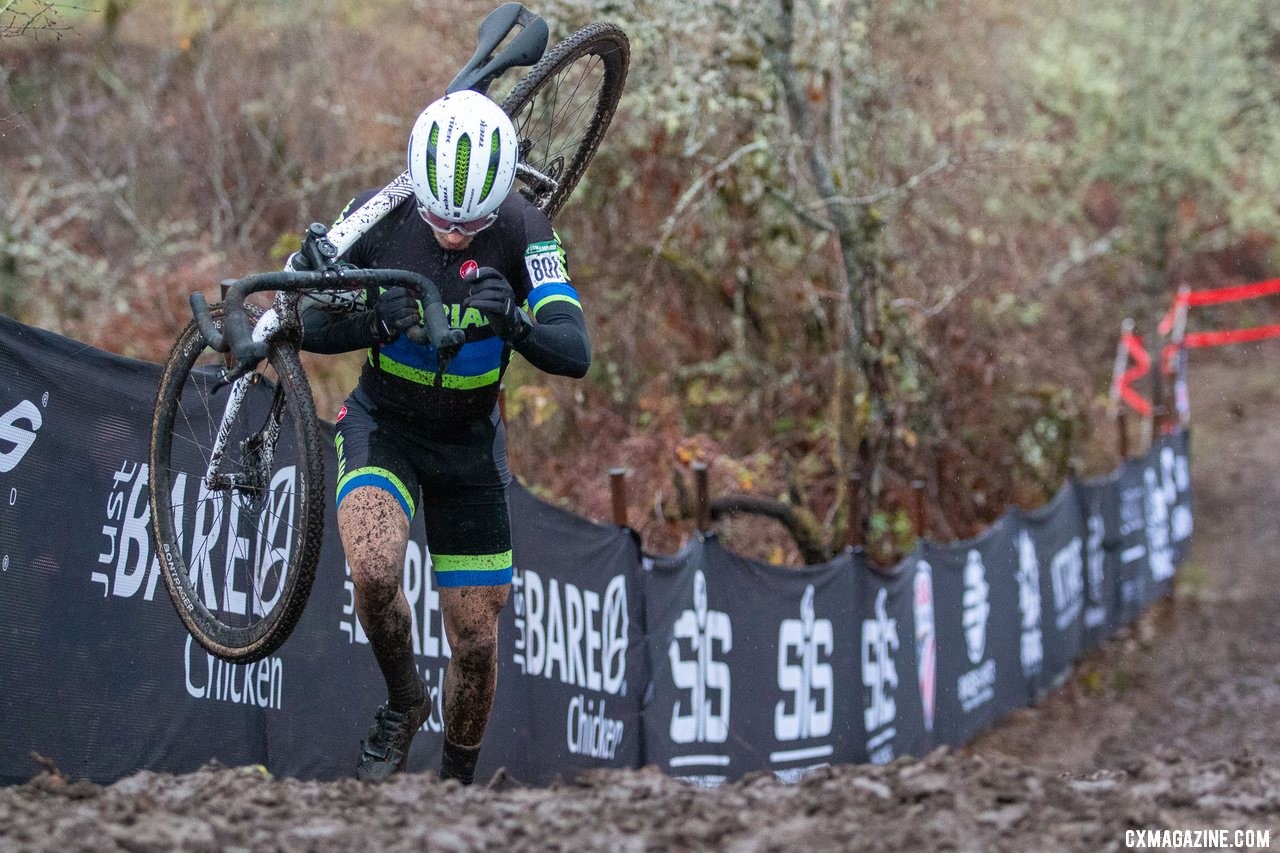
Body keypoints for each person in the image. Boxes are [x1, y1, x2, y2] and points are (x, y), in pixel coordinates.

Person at [293, 89, 590, 784]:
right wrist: (372, 321)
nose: (453, 234)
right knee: (371, 570)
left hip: (468, 446)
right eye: (438, 220)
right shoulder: (377, 211)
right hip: (383, 424)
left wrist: (516, 321)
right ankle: (403, 699)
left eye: (470, 224)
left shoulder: (525, 227)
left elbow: (575, 349)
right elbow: (300, 318)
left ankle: (455, 784)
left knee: (477, 640)